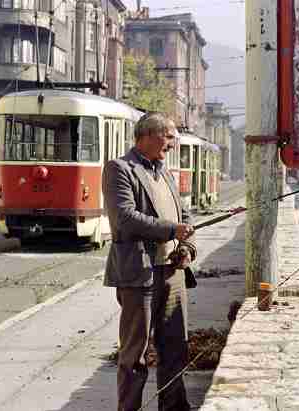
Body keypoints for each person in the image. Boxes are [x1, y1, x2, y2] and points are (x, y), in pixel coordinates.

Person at [102, 112, 196, 411]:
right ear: (146, 136)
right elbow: (125, 217)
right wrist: (171, 230)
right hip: (139, 274)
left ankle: (174, 407)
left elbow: (185, 216)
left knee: (175, 349)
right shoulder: (120, 169)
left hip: (172, 273)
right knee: (135, 355)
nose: (173, 142)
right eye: (168, 136)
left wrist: (187, 247)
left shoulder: (165, 171)